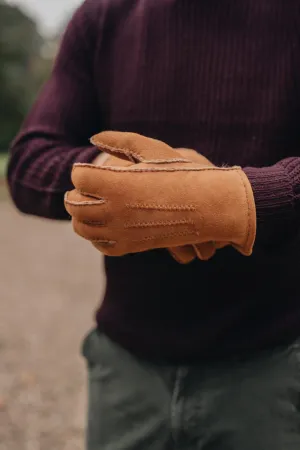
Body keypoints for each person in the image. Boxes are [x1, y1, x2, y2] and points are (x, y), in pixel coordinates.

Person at [7, 0, 300, 448]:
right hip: (127, 371)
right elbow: (28, 161)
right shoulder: (102, 17)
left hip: (272, 367)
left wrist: (241, 200)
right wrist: (108, 175)